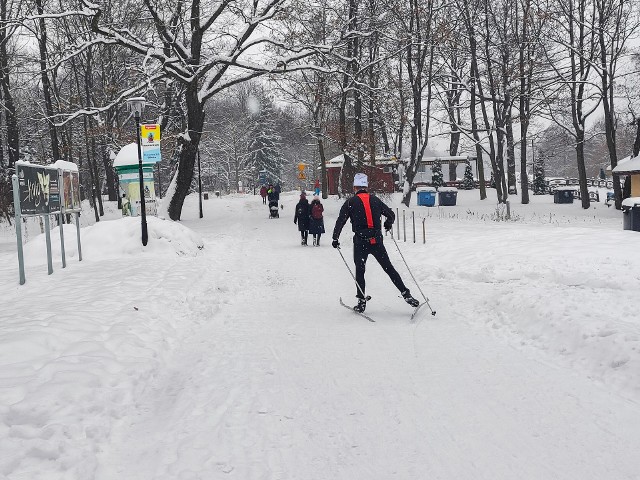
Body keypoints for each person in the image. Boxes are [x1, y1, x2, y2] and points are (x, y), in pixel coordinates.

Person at [332, 173, 419, 313]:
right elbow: (391, 214)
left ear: (355, 187)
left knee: (360, 271)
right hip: (377, 241)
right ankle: (406, 294)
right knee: (389, 268)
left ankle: (361, 302)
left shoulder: (350, 202)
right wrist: (387, 224)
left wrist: (335, 238)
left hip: (361, 242)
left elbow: (341, 221)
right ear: (366, 187)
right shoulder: (375, 200)